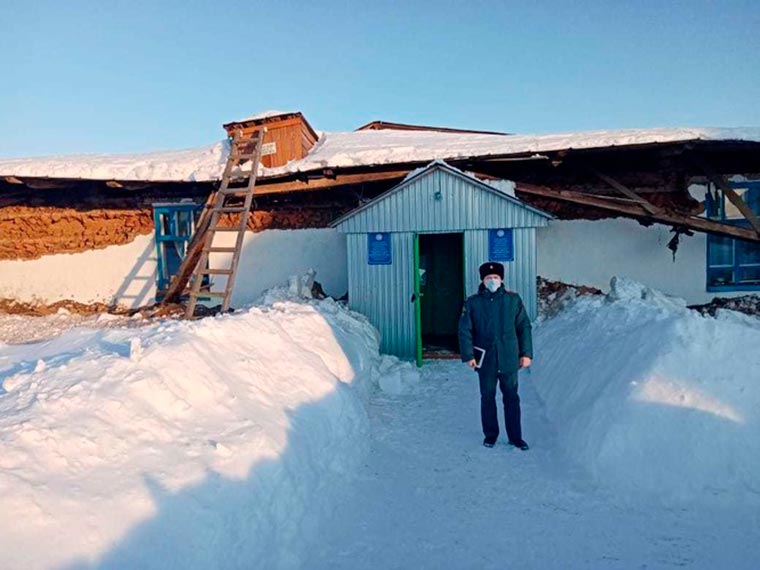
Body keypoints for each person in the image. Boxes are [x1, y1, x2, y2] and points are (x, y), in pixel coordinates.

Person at [458, 262, 533, 450]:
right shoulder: (473, 302)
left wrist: (526, 353)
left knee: (511, 397)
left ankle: (516, 437)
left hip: (509, 357)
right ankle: (490, 435)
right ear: (482, 280)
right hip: (486, 359)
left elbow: (524, 327)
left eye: (496, 278)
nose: (492, 280)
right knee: (487, 397)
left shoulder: (513, 300)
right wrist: (468, 355)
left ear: (502, 279)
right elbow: (465, 330)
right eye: (488, 278)